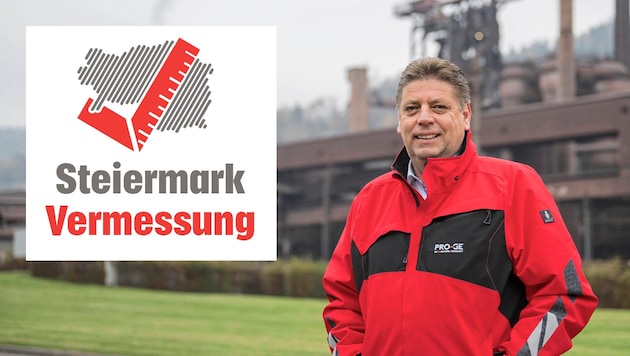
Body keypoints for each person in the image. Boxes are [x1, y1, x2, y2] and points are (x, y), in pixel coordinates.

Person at [322, 57, 598, 355]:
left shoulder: (513, 186)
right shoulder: (370, 199)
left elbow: (565, 295)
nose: (424, 118)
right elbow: (342, 300)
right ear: (399, 121)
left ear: (466, 115)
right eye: (412, 108)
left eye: (439, 107)